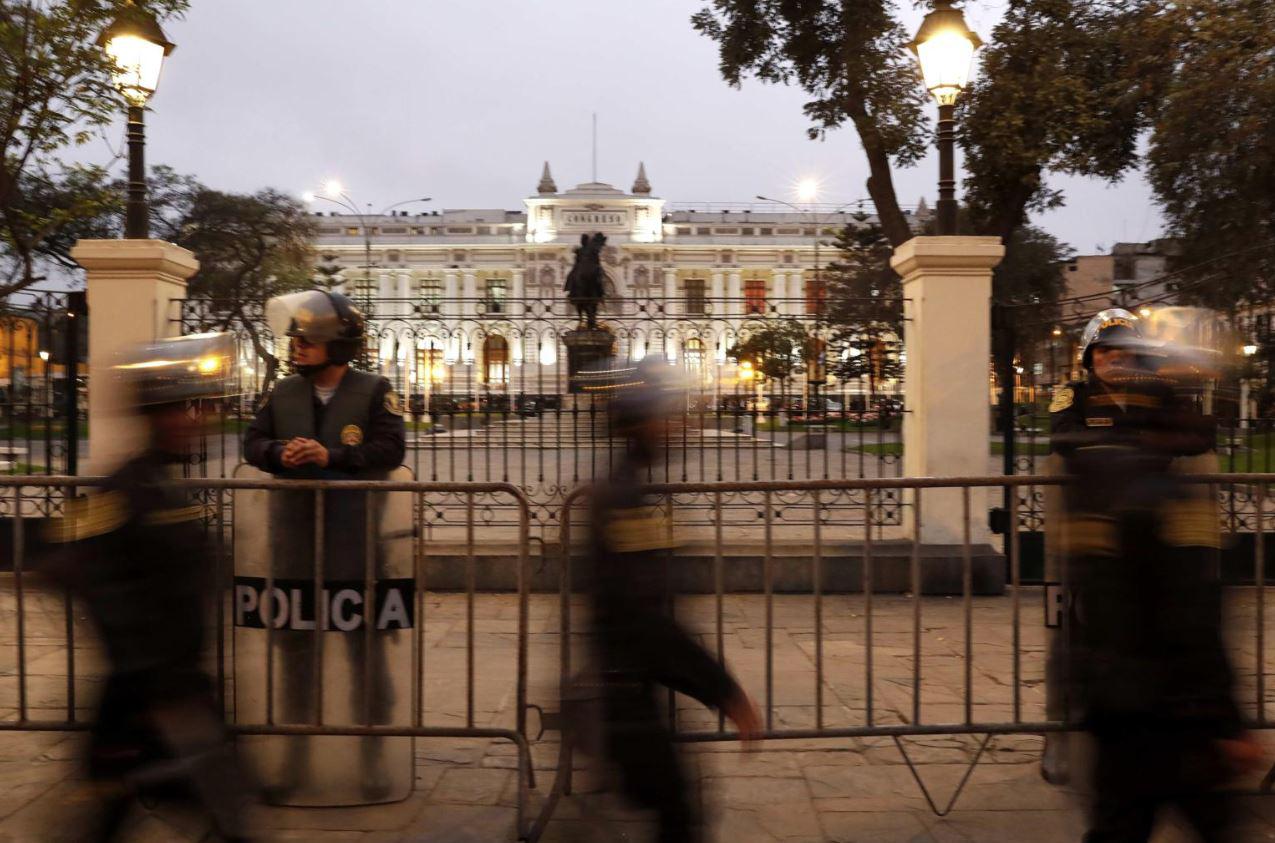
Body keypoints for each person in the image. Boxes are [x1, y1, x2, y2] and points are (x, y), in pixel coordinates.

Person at [1050, 308, 1260, 842]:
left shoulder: (1165, 401)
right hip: (1145, 677)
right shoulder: (1073, 399)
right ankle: (1062, 735)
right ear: (1090, 358)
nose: (1117, 361)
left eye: (1126, 352)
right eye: (1106, 352)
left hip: (1139, 693)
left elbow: (1199, 434)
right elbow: (1063, 438)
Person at [45, 332, 255, 842]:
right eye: (180, 411)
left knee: (212, 806)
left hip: (179, 687)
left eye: (196, 408)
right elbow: (70, 570)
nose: (194, 420)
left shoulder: (169, 486)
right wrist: (148, 674)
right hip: (145, 697)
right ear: (153, 416)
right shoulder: (120, 489)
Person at [577, 359, 760, 843]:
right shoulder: (625, 498)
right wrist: (724, 691)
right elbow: (647, 619)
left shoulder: (634, 491)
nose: (680, 424)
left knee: (670, 812)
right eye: (669, 414)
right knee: (678, 816)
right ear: (643, 425)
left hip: (630, 685)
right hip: (625, 692)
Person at [242, 289, 406, 803]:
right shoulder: (283, 393)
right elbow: (250, 442)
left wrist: (331, 455)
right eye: (295, 339)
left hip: (356, 546)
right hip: (293, 545)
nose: (297, 347)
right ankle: (294, 761)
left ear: (338, 345)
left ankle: (373, 759)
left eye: (308, 339)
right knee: (295, 657)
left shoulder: (376, 391)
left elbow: (392, 449)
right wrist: (277, 453)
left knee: (366, 661)